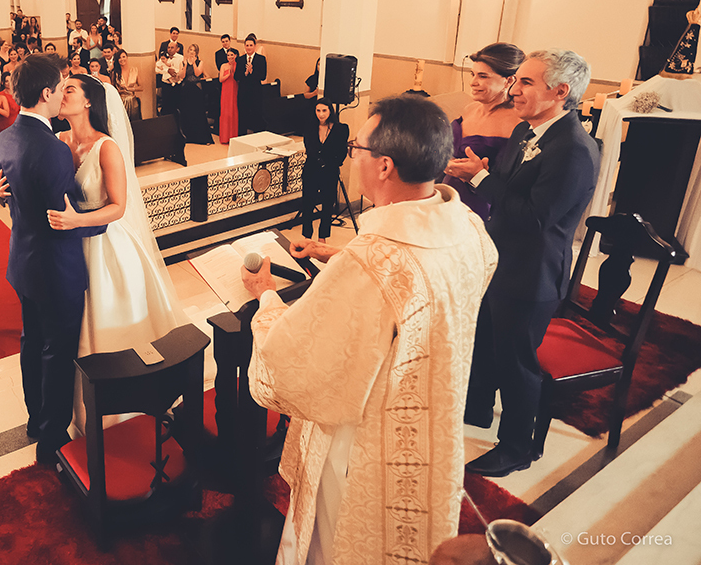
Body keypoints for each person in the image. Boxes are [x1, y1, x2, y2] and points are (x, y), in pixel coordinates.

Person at [244, 95, 498, 565]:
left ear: (384, 166)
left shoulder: (373, 260)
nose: (352, 156)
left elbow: (295, 358)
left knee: (336, 543)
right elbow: (418, 284)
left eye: (356, 147)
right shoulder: (467, 226)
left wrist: (266, 298)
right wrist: (334, 253)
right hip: (435, 421)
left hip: (365, 439)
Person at [448, 49, 601, 477]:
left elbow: (536, 218)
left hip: (531, 273)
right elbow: (508, 184)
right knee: (484, 341)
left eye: (526, 82)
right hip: (500, 260)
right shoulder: (525, 131)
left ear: (560, 91)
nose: (514, 89)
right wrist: (483, 170)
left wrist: (480, 178)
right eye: (516, 80)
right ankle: (477, 408)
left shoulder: (573, 150)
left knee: (517, 364)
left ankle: (516, 448)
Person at [35, 74, 181, 431]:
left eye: (70, 89)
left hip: (107, 247)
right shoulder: (58, 140)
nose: (61, 94)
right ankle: (82, 409)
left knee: (110, 322)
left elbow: (118, 206)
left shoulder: (107, 147)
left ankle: (127, 409)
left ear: (89, 102)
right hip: (68, 249)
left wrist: (77, 221)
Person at [0, 55, 107, 464]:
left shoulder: (5, 138)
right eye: (60, 88)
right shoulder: (53, 150)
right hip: (55, 268)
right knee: (57, 354)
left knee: (31, 342)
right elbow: (64, 219)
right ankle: (52, 440)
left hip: (23, 261)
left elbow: (15, 197)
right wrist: (106, 224)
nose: (62, 94)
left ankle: (34, 419)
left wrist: (1, 196)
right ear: (46, 93)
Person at [439, 43, 525, 219]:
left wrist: (478, 174)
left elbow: (515, 180)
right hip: (447, 195)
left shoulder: (519, 122)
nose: (473, 82)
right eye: (473, 74)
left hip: (481, 206)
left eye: (483, 76)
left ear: (509, 80)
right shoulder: (470, 109)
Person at [300, 99, 350, 242]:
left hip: (329, 171)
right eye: (318, 110)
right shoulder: (310, 127)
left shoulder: (341, 129)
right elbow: (309, 147)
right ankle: (307, 236)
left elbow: (342, 151)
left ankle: (322, 237)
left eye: (324, 111)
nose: (321, 114)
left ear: (330, 111)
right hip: (311, 170)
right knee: (307, 204)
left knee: (327, 205)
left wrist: (330, 163)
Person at [178, 43, 212, 144]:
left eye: (194, 50)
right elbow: (182, 76)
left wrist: (193, 63)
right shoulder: (182, 62)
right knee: (186, 112)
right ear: (188, 51)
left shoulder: (200, 62)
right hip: (185, 88)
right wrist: (185, 65)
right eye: (190, 50)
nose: (192, 52)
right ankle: (187, 136)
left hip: (196, 89)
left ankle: (200, 137)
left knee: (197, 112)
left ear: (196, 52)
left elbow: (197, 73)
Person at [234, 34, 267, 134]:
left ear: (255, 46)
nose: (249, 47)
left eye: (251, 45)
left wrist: (252, 72)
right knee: (242, 116)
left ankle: (257, 137)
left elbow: (263, 76)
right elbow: (236, 76)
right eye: (247, 45)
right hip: (243, 92)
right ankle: (242, 137)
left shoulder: (261, 59)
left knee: (257, 115)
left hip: (256, 92)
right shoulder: (240, 59)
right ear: (244, 46)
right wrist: (245, 73)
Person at [112, 49, 141, 122]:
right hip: (121, 101)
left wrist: (130, 89)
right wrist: (120, 91)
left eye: (123, 57)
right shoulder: (115, 73)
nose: (122, 59)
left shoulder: (134, 70)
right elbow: (112, 89)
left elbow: (141, 87)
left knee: (135, 122)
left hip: (133, 101)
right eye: (119, 58)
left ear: (127, 57)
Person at [218, 48, 239, 144]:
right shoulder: (223, 65)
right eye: (228, 55)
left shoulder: (238, 65)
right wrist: (228, 73)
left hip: (235, 90)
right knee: (225, 113)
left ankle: (233, 136)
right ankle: (224, 137)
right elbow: (220, 79)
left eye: (232, 55)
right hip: (226, 91)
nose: (230, 57)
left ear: (235, 55)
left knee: (233, 112)